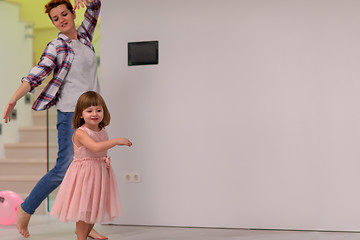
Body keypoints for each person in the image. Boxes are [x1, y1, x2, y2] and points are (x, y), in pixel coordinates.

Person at [2, 0, 106, 238]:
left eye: (64, 13)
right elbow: (36, 74)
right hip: (70, 114)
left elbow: (95, 7)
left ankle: (86, 228)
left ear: (72, 13)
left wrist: (89, 1)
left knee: (91, 171)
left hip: (92, 115)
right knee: (63, 170)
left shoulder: (85, 37)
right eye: (56, 18)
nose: (61, 19)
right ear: (53, 23)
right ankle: (25, 209)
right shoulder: (57, 46)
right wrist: (13, 99)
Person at [50, 91, 132, 240]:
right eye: (89, 111)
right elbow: (95, 148)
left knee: (94, 206)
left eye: (98, 110)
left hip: (99, 171)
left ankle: (86, 233)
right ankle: (81, 236)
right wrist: (116, 141)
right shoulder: (81, 133)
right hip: (85, 173)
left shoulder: (102, 129)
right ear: (81, 114)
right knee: (85, 208)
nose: (94, 113)